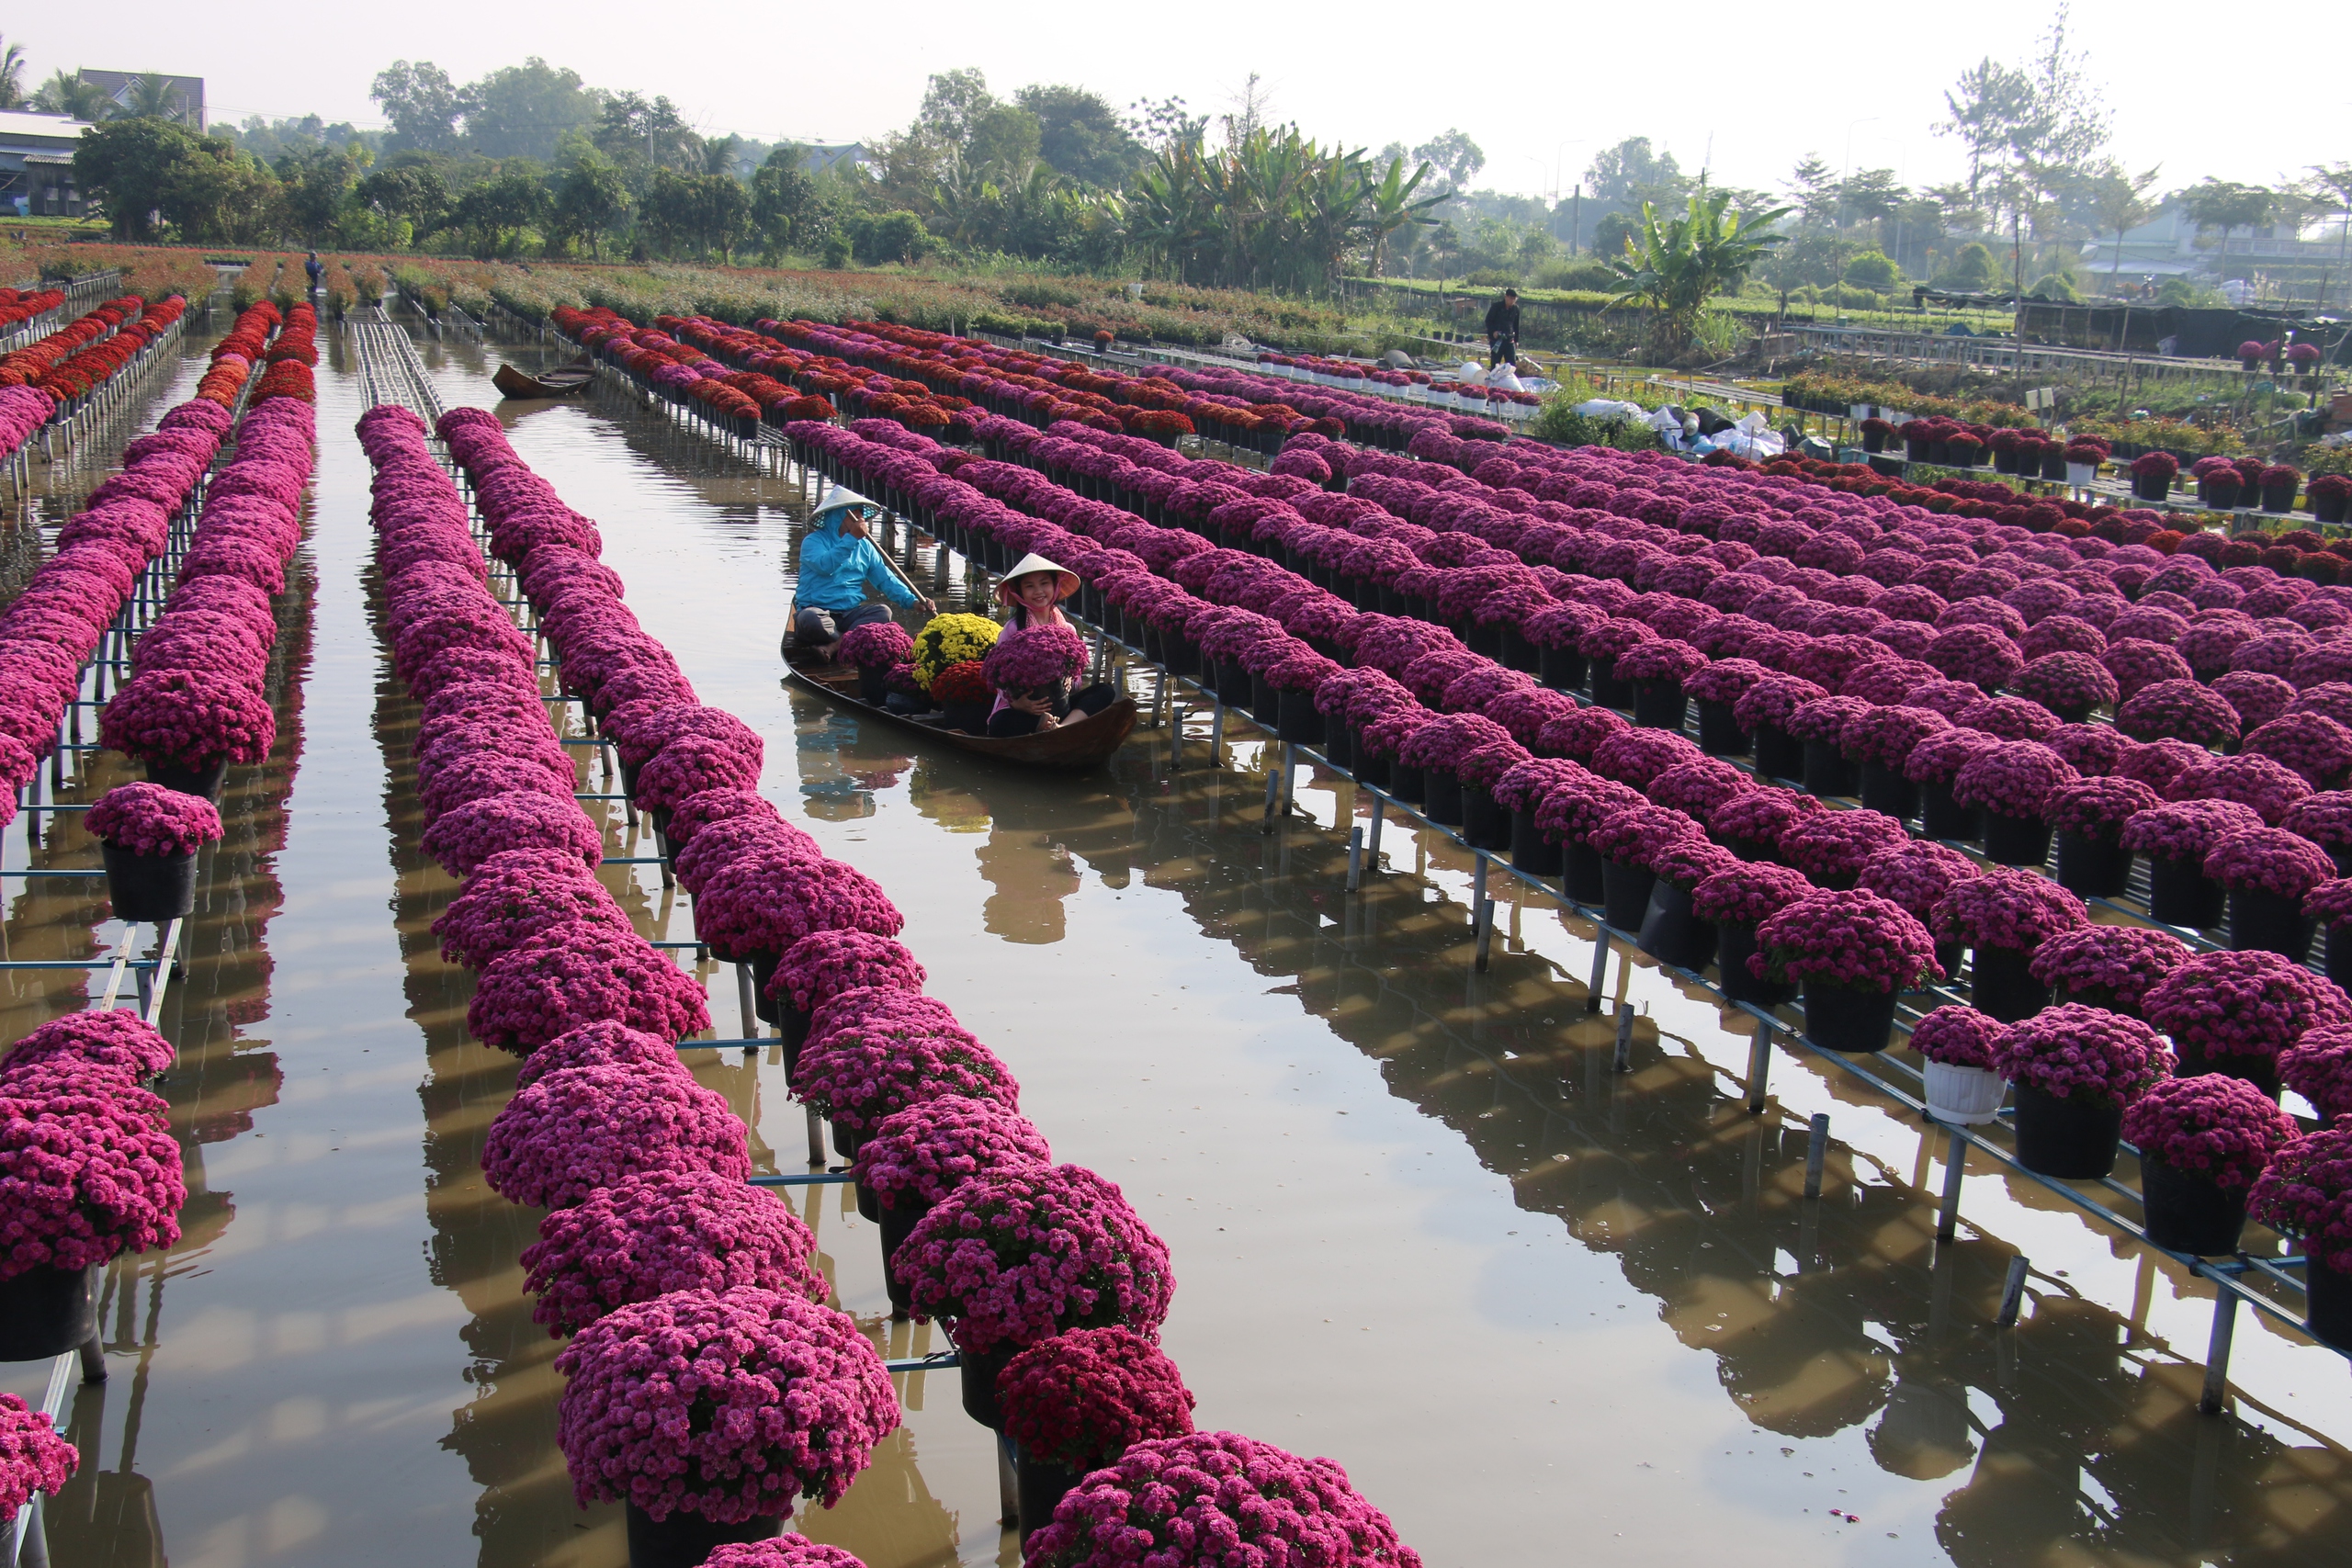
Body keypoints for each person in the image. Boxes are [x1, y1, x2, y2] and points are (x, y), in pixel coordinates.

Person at [789, 485, 933, 661]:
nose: (861, 521)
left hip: (849, 614)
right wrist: (851, 539)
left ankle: (834, 646)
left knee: (883, 612)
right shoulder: (813, 542)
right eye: (854, 516)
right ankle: (850, 639)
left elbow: (886, 579)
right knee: (811, 620)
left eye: (861, 515)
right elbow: (825, 566)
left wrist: (912, 600)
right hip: (818, 612)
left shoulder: (865, 547)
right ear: (839, 517)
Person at [986, 553, 1117, 737]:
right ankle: (1043, 725)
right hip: (1024, 711)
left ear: (1055, 586)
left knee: (1105, 692)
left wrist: (1072, 681)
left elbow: (1077, 675)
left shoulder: (1067, 629)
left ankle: (1063, 728)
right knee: (999, 724)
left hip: (1061, 706)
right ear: (1019, 592)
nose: (1038, 591)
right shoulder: (1013, 628)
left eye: (1044, 583)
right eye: (1029, 586)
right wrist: (1018, 703)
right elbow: (997, 677)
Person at [1484, 287, 1521, 370]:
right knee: (1496, 364)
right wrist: (1493, 331)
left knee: (1511, 364)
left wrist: (1516, 340)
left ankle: (1508, 382)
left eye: (1514, 299)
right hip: (1497, 340)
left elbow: (1516, 325)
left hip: (1509, 339)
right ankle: (1494, 381)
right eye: (1511, 298)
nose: (1512, 301)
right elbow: (1488, 321)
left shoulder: (1515, 309)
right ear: (1506, 297)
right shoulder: (1496, 307)